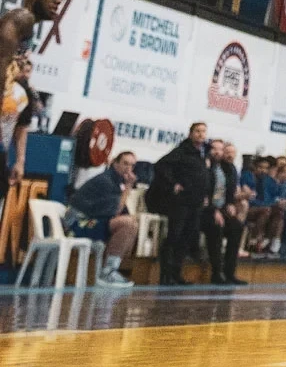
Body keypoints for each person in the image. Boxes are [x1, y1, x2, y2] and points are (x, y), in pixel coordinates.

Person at [63, 150, 139, 287]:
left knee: (131, 224)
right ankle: (108, 272)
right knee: (127, 224)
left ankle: (111, 268)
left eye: (132, 165)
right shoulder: (106, 181)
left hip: (90, 221)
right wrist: (128, 187)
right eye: (125, 164)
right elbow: (115, 212)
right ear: (115, 163)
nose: (128, 169)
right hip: (76, 224)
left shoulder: (116, 181)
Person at [146, 122, 210, 285]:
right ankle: (165, 274)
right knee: (175, 235)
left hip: (195, 202)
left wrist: (204, 195)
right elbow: (161, 166)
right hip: (181, 202)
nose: (201, 134)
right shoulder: (182, 151)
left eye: (203, 131)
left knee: (187, 237)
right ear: (190, 133)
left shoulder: (202, 153)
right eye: (197, 131)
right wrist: (173, 184)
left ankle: (176, 273)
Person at [201, 139, 247, 285]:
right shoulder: (206, 166)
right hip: (204, 211)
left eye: (221, 150)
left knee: (237, 226)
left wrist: (230, 204)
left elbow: (227, 192)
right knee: (216, 227)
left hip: (220, 209)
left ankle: (230, 272)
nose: (218, 152)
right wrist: (213, 210)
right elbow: (204, 193)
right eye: (215, 149)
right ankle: (217, 273)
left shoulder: (228, 168)